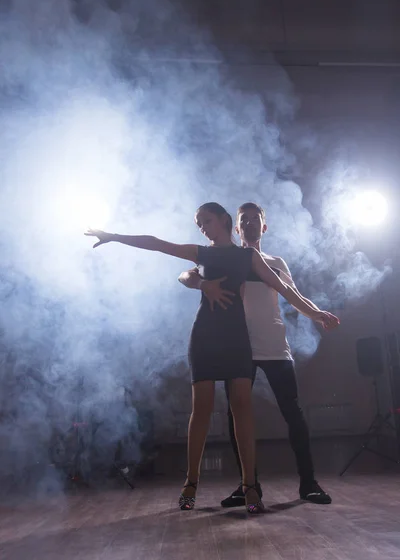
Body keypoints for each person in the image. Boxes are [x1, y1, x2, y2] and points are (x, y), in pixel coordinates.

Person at [85, 203, 338, 513]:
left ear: (226, 221)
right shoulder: (202, 255)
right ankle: (214, 484)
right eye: (199, 223)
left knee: (265, 411)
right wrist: (114, 235)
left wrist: (316, 313)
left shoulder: (255, 258)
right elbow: (162, 248)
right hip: (217, 338)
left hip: (251, 343)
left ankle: (279, 485)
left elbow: (286, 289)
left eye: (206, 221)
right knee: (214, 412)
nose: (202, 227)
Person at [179, 202, 339, 506]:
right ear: (235, 227)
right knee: (234, 417)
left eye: (256, 219)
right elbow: (188, 274)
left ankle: (309, 484)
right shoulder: (225, 258)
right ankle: (248, 486)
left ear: (264, 227)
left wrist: (318, 314)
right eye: (244, 220)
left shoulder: (276, 262)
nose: (250, 223)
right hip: (239, 346)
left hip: (275, 346)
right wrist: (200, 282)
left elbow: (293, 295)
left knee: (293, 414)